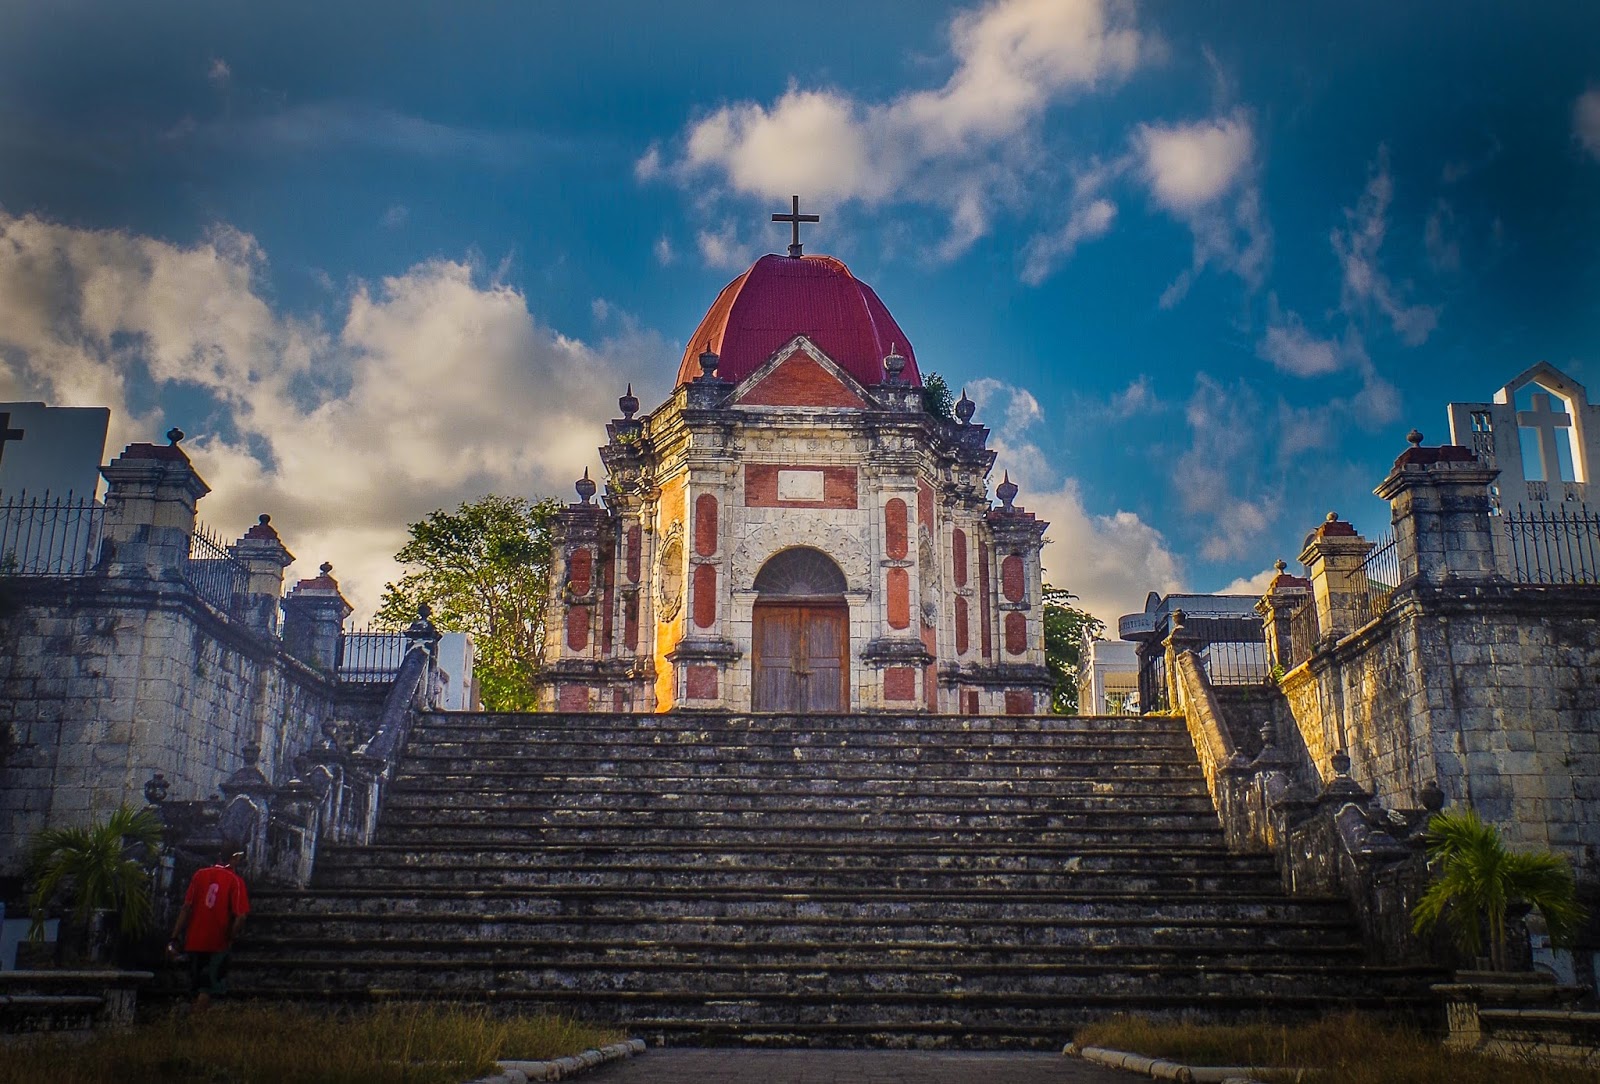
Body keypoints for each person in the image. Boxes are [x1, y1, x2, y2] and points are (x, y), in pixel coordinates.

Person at [168, 846, 250, 1012]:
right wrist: (230, 937)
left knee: (197, 984)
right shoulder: (235, 880)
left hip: (194, 939)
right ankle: (197, 1019)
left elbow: (186, 907)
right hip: (217, 941)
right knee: (208, 987)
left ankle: (195, 1016)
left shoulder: (200, 875)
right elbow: (241, 916)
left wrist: (174, 937)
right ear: (235, 858)